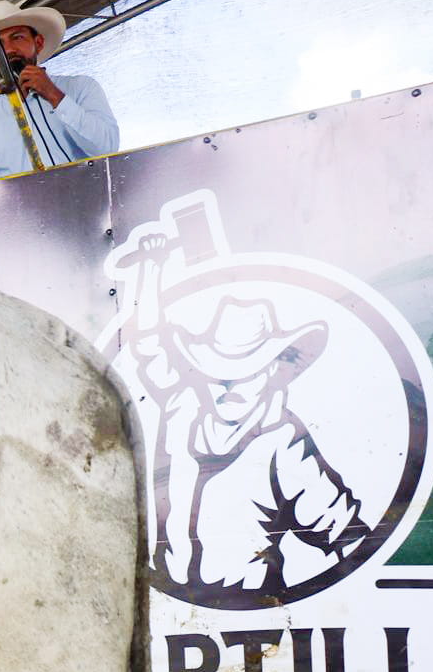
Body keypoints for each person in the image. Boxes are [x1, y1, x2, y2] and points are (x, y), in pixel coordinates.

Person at [122, 235, 368, 597]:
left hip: (252, 612)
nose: (228, 387)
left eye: (245, 373)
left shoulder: (284, 440)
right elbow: (147, 343)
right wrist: (149, 270)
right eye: (219, 373)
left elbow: (342, 530)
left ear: (271, 373)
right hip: (169, 606)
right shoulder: (182, 408)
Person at [0, 1, 117, 183]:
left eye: (18, 37)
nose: (9, 49)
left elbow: (107, 148)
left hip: (89, 204)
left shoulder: (81, 87)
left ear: (38, 43)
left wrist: (55, 95)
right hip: (21, 211)